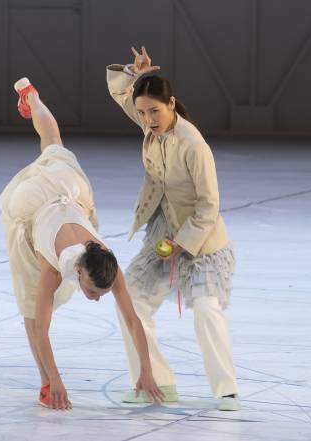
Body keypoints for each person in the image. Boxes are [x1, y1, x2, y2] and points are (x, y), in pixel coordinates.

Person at [0, 77, 164, 410]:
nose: (95, 299)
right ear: (78, 269)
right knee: (32, 312)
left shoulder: (107, 263)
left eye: (98, 294)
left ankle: (31, 95)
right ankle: (44, 384)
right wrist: (56, 380)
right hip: (36, 203)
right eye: (91, 291)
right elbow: (42, 329)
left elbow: (133, 320)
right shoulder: (52, 268)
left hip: (71, 190)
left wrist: (147, 370)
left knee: (52, 140)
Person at [106, 47, 241, 411]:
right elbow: (122, 95)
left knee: (205, 307)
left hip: (201, 240)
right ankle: (157, 383)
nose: (148, 119)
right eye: (143, 113)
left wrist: (182, 244)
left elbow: (209, 205)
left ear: (171, 104)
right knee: (130, 301)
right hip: (162, 234)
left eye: (155, 110)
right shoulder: (149, 123)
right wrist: (136, 76)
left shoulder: (194, 145)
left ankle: (226, 389)